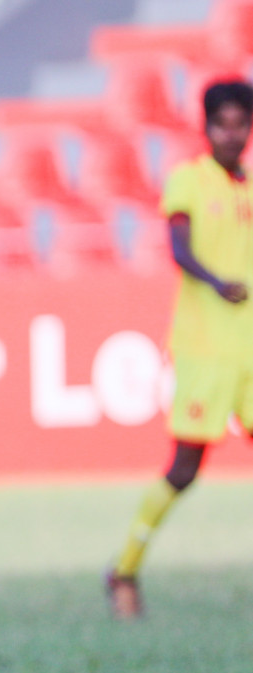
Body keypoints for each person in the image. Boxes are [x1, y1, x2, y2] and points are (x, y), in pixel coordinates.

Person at [106, 80, 253, 619]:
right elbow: (177, 247)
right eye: (223, 124)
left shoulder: (249, 189)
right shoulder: (189, 181)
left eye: (241, 124)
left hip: (250, 352)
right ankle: (123, 568)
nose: (232, 134)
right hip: (205, 351)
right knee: (185, 469)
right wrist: (216, 281)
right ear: (206, 126)